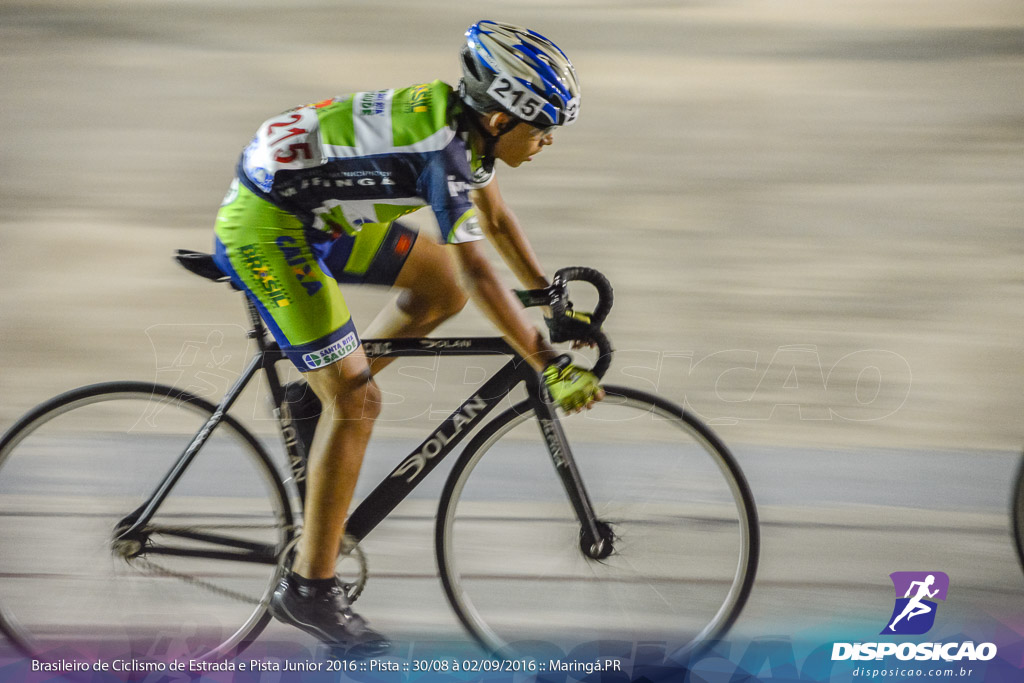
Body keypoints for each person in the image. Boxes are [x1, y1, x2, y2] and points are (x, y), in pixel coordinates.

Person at [210, 20, 603, 656]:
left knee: (437, 286)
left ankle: (311, 403)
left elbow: (494, 219)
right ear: (501, 118)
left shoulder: (464, 130)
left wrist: (547, 298)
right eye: (543, 126)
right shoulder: (444, 151)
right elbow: (482, 270)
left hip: (314, 208)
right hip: (270, 228)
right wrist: (547, 361)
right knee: (360, 401)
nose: (549, 141)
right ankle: (310, 589)